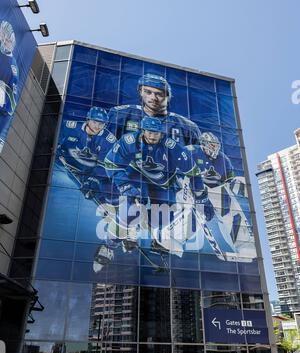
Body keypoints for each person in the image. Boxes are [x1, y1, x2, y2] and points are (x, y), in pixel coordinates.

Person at [104, 116, 213, 257]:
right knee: (131, 208)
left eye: (156, 133)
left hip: (164, 184)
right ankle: (109, 245)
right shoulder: (129, 141)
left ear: (162, 133)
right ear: (142, 130)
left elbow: (193, 172)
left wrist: (201, 197)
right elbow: (110, 163)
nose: (153, 136)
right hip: (137, 176)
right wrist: (125, 185)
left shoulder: (172, 147)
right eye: (149, 132)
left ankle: (141, 228)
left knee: (164, 218)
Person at [107, 73, 201, 145]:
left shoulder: (187, 127)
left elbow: (199, 157)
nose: (153, 98)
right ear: (141, 92)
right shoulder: (121, 114)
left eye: (159, 94)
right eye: (148, 92)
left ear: (168, 97)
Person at [56, 106, 117, 204]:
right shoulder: (70, 127)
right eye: (94, 122)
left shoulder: (109, 141)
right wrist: (56, 149)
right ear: (88, 119)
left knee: (94, 191)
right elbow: (54, 137)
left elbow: (105, 166)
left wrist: (93, 179)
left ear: (105, 125)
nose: (97, 126)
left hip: (89, 172)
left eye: (101, 123)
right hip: (65, 162)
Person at [0, 20, 18, 152]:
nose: (5, 42)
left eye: (8, 39)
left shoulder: (13, 64)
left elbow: (13, 92)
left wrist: (6, 107)